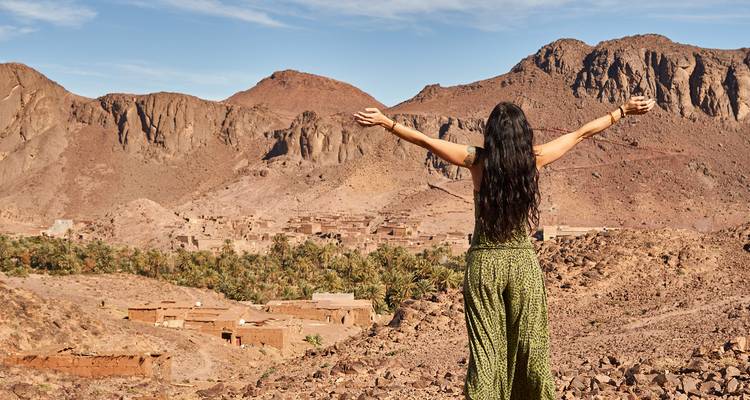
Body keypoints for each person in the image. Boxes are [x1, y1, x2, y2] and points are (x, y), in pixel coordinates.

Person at [354, 96, 656, 399]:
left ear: (491, 134)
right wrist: (621, 112)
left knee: (486, 355)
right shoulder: (533, 158)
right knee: (531, 349)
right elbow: (581, 133)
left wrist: (386, 122)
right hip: (522, 265)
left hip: (485, 266)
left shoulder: (477, 160)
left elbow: (426, 141)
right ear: (523, 133)